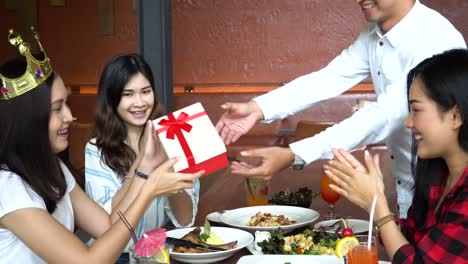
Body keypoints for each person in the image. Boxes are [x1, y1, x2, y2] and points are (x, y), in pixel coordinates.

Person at [215, 0, 466, 218]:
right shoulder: (372, 36)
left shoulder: (434, 39)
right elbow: (328, 78)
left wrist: (295, 154)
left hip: (447, 188)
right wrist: (258, 107)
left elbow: (385, 115)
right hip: (409, 188)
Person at [0, 28, 203, 263]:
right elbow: (90, 261)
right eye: (57, 108)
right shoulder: (8, 188)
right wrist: (149, 191)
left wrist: (144, 166)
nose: (70, 116)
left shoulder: (54, 168)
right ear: (28, 120)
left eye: (67, 104)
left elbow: (108, 226)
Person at [326, 49, 468, 263]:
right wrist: (374, 196)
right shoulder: (439, 174)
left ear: (455, 116)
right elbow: (410, 241)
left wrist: (378, 205)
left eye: (416, 110)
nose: (408, 123)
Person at [85, 53, 200, 263]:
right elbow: (108, 226)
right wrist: (143, 167)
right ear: (112, 99)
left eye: (145, 92)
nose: (139, 103)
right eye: (128, 94)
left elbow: (185, 220)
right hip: (114, 257)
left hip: (158, 255)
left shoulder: (175, 137)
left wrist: (170, 164)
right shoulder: (96, 150)